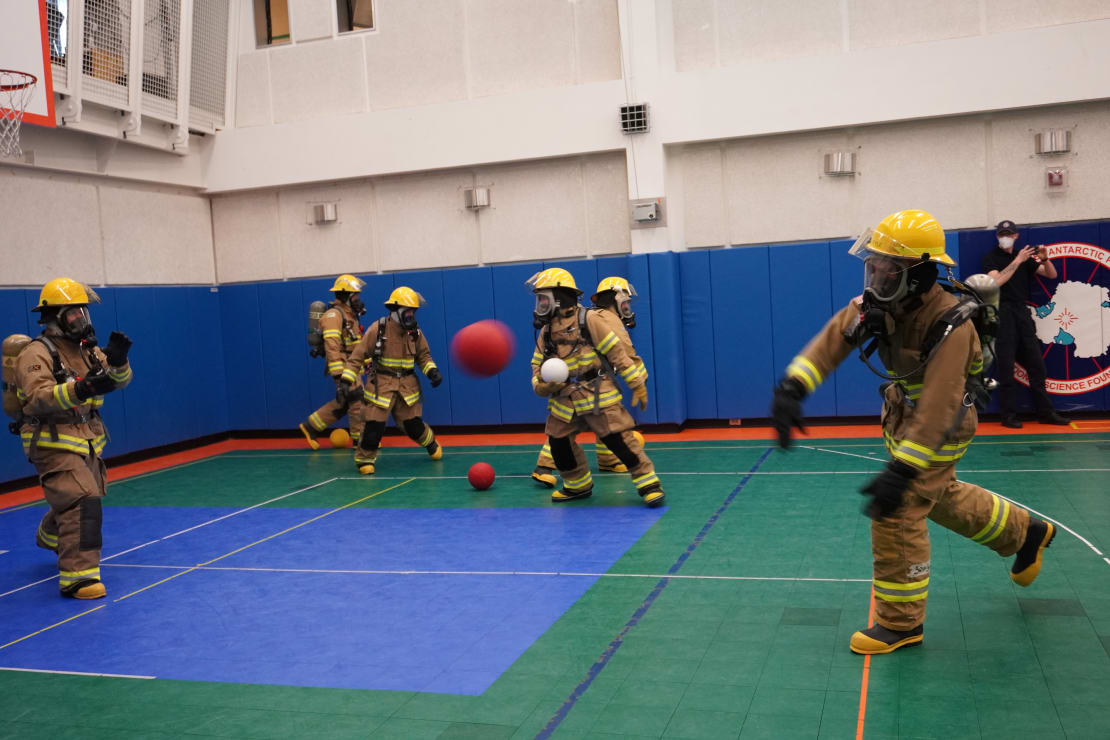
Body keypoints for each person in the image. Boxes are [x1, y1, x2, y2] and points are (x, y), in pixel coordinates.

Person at [771, 210, 1056, 655]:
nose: (877, 275)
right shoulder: (882, 303)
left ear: (921, 274)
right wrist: (793, 386)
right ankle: (1024, 533)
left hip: (944, 427)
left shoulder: (952, 324)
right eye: (874, 265)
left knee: (900, 508)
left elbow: (941, 405)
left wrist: (903, 467)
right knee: (940, 496)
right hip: (903, 415)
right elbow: (833, 339)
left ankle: (900, 623)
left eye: (890, 268)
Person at [15, 278, 132, 599]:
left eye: (83, 312)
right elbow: (37, 398)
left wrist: (119, 362)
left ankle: (52, 533)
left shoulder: (88, 350)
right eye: (73, 314)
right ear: (54, 318)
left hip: (88, 436)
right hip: (52, 440)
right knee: (83, 500)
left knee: (80, 494)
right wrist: (80, 388)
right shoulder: (36, 353)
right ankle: (78, 577)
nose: (81, 319)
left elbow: (118, 381)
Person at [528, 268, 663, 507]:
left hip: (597, 393)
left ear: (558, 297)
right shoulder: (546, 332)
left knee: (617, 440)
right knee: (559, 444)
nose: (539, 304)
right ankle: (577, 485)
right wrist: (544, 387)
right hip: (564, 398)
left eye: (543, 297)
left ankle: (648, 483)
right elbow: (536, 367)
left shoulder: (589, 319)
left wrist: (637, 384)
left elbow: (616, 352)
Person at [340, 286, 443, 474]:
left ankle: (430, 442)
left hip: (407, 388)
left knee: (412, 426)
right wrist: (346, 380)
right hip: (382, 387)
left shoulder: (415, 333)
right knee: (374, 425)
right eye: (408, 311)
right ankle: (364, 460)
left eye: (414, 311)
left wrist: (432, 372)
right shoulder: (377, 329)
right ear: (396, 310)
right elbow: (357, 356)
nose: (411, 315)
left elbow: (424, 356)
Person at [981, 220, 1069, 428]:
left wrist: (1046, 260)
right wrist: (1018, 261)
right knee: (1006, 366)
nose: (1005, 237)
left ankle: (1046, 412)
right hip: (1001, 312)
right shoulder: (991, 257)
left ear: (1016, 236)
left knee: (1036, 365)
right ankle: (1008, 415)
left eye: (1009, 234)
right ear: (997, 236)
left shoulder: (1025, 255)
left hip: (1022, 311)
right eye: (1002, 233)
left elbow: (1051, 274)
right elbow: (995, 283)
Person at [298, 274, 366, 449]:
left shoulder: (349, 315)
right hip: (342, 366)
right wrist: (338, 375)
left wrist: (366, 361)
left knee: (345, 402)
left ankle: (310, 426)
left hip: (352, 365)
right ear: (346, 296)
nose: (358, 299)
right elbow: (332, 346)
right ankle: (360, 441)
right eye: (356, 296)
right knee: (356, 398)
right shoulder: (333, 315)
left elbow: (356, 344)